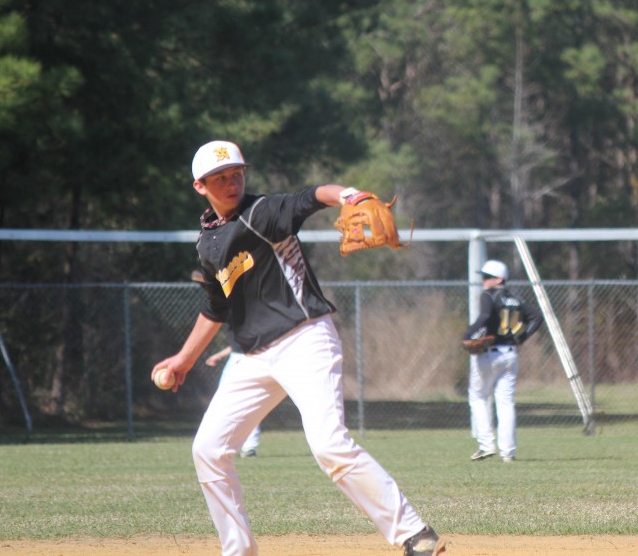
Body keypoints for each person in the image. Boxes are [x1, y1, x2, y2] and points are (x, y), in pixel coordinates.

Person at [152, 140, 445, 556]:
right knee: (208, 449)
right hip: (253, 358)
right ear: (200, 186)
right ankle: (238, 550)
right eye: (220, 178)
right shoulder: (206, 244)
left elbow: (311, 197)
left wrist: (350, 196)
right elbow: (216, 306)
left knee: (329, 445)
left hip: (304, 339)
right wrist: (184, 359)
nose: (231, 181)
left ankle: (414, 534)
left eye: (236, 173)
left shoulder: (262, 213)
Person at [462, 259, 543, 463]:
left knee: (478, 397)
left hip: (490, 353)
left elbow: (485, 316)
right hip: (510, 354)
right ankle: (508, 452)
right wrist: (521, 338)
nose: (483, 280)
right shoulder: (515, 299)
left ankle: (486, 445)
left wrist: (468, 334)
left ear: (498, 279)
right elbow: (536, 317)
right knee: (505, 403)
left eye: (487, 277)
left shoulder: (489, 295)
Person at [205, 344, 261, 458]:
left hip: (248, 358)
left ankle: (248, 446)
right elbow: (238, 340)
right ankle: (216, 444)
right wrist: (220, 355)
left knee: (249, 404)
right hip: (237, 357)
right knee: (223, 403)